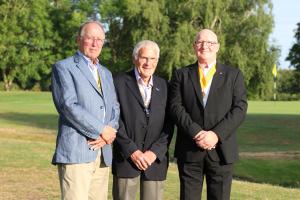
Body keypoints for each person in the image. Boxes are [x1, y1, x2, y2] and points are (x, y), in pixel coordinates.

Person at [169, 29, 248, 200]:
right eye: (200, 42)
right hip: (190, 150)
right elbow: (175, 107)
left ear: (217, 47)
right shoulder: (181, 75)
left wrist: (216, 135)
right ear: (194, 46)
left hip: (221, 151)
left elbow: (240, 109)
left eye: (210, 42)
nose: (205, 46)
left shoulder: (233, 75)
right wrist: (196, 132)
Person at [51, 20, 120, 200]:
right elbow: (68, 105)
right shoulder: (64, 67)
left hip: (103, 152)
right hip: (77, 151)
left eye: (100, 39)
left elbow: (115, 106)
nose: (95, 43)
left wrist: (109, 133)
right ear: (79, 40)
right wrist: (100, 130)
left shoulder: (105, 72)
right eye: (90, 38)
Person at [111, 40, 173, 200]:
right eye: (144, 58)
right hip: (126, 158)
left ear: (157, 61)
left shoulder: (165, 86)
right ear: (135, 58)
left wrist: (154, 152)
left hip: (155, 161)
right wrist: (133, 151)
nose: (148, 63)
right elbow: (114, 120)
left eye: (153, 59)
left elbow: (169, 124)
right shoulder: (118, 82)